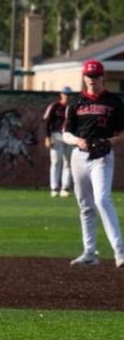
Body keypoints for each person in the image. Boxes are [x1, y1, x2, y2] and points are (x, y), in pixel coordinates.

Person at [63, 59, 124, 267]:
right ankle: (90, 253)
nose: (92, 79)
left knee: (102, 199)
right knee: (85, 206)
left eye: (96, 76)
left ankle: (119, 251)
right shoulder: (76, 103)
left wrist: (109, 141)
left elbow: (122, 133)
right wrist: (77, 140)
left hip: (102, 157)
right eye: (89, 76)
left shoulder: (113, 102)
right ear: (84, 77)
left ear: (102, 77)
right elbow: (66, 134)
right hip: (79, 156)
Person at [42, 87, 73, 197]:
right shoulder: (55, 106)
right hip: (56, 135)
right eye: (65, 94)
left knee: (68, 162)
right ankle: (54, 188)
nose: (67, 96)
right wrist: (47, 137)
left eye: (69, 94)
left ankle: (65, 188)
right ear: (61, 94)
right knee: (56, 161)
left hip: (69, 136)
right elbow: (47, 122)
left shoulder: (72, 107)